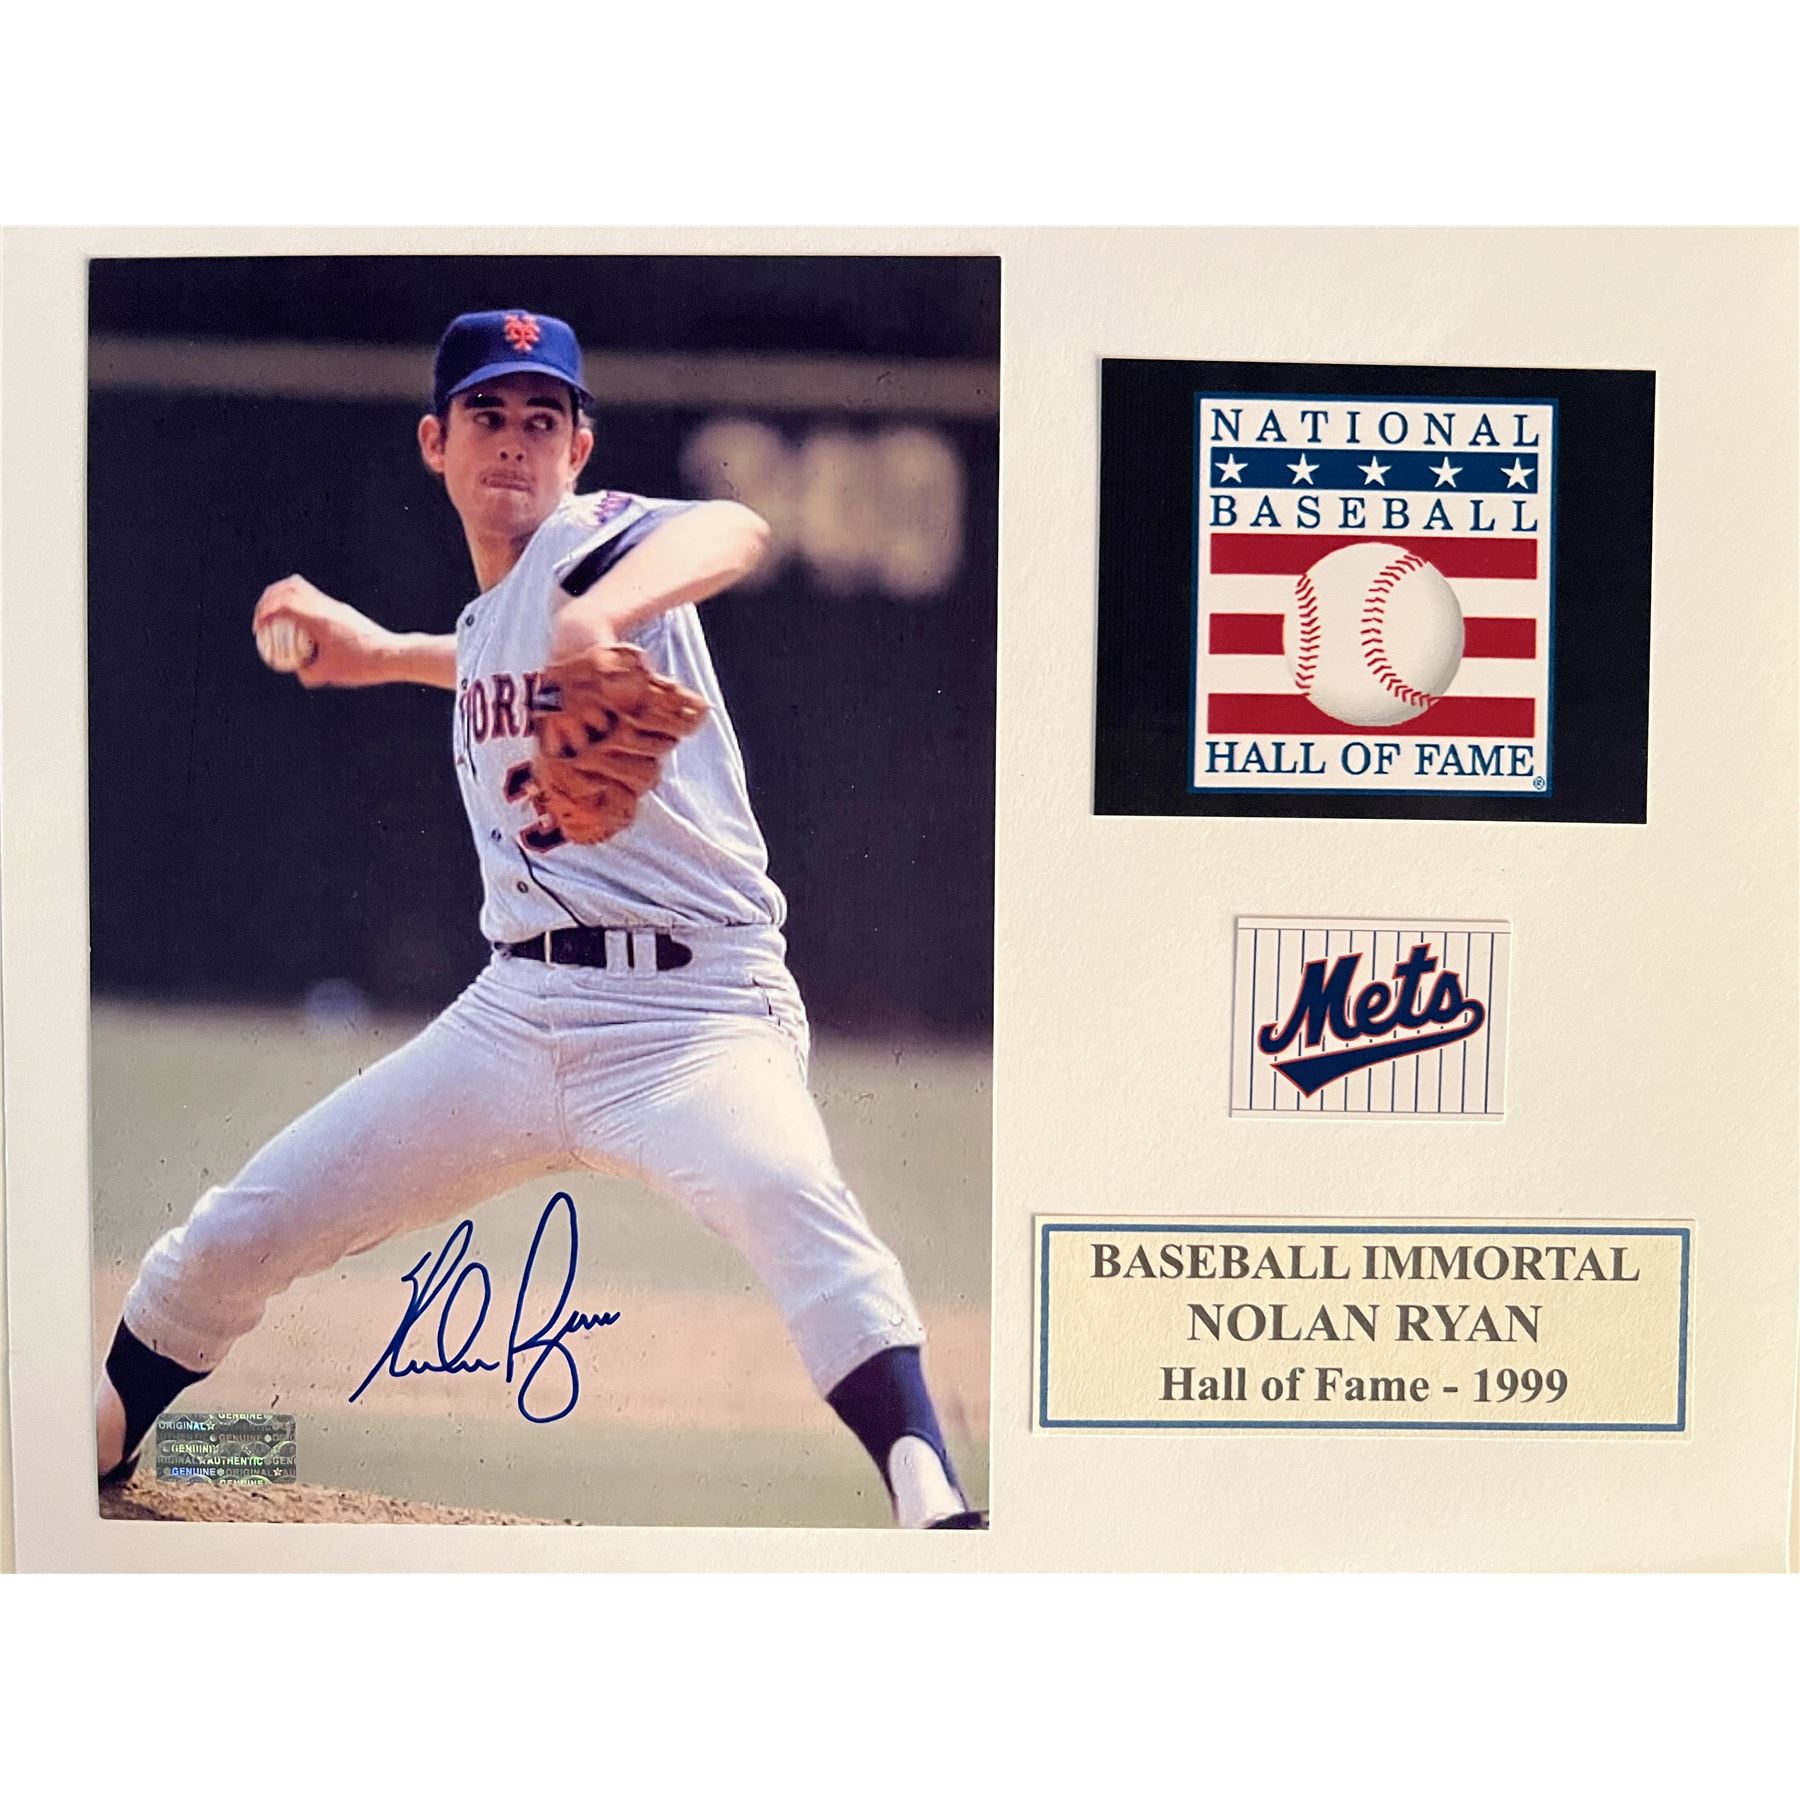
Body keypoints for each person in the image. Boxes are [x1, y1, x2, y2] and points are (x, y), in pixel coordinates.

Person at [95, 308, 984, 1530]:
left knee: (792, 1196)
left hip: (695, 1017)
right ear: (436, 443)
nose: (514, 441)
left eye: (541, 419)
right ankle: (106, 1430)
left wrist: (595, 620)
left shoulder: (592, 543)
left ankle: (932, 1499)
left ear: (579, 450)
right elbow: (489, 653)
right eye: (487, 417)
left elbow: (736, 528)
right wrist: (383, 653)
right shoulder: (492, 618)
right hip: (516, 1016)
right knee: (252, 1220)